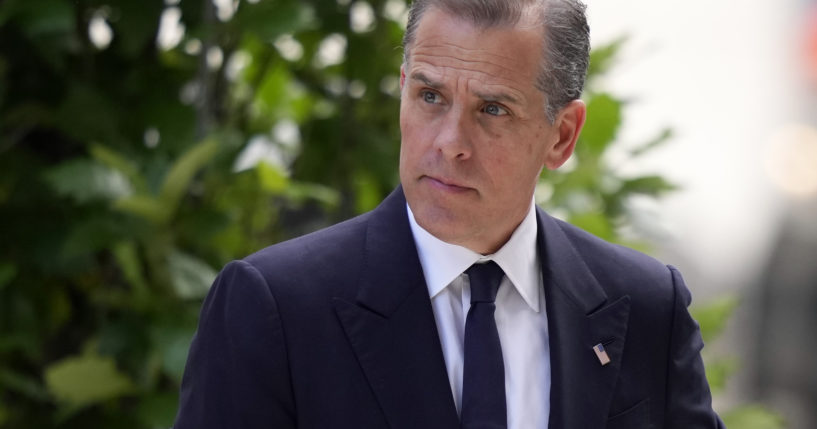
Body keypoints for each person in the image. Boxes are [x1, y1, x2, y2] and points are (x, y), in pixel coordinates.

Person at [174, 0, 725, 428]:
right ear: (402, 93)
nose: (450, 143)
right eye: (430, 97)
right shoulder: (275, 308)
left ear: (562, 136)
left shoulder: (649, 308)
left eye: (492, 109)